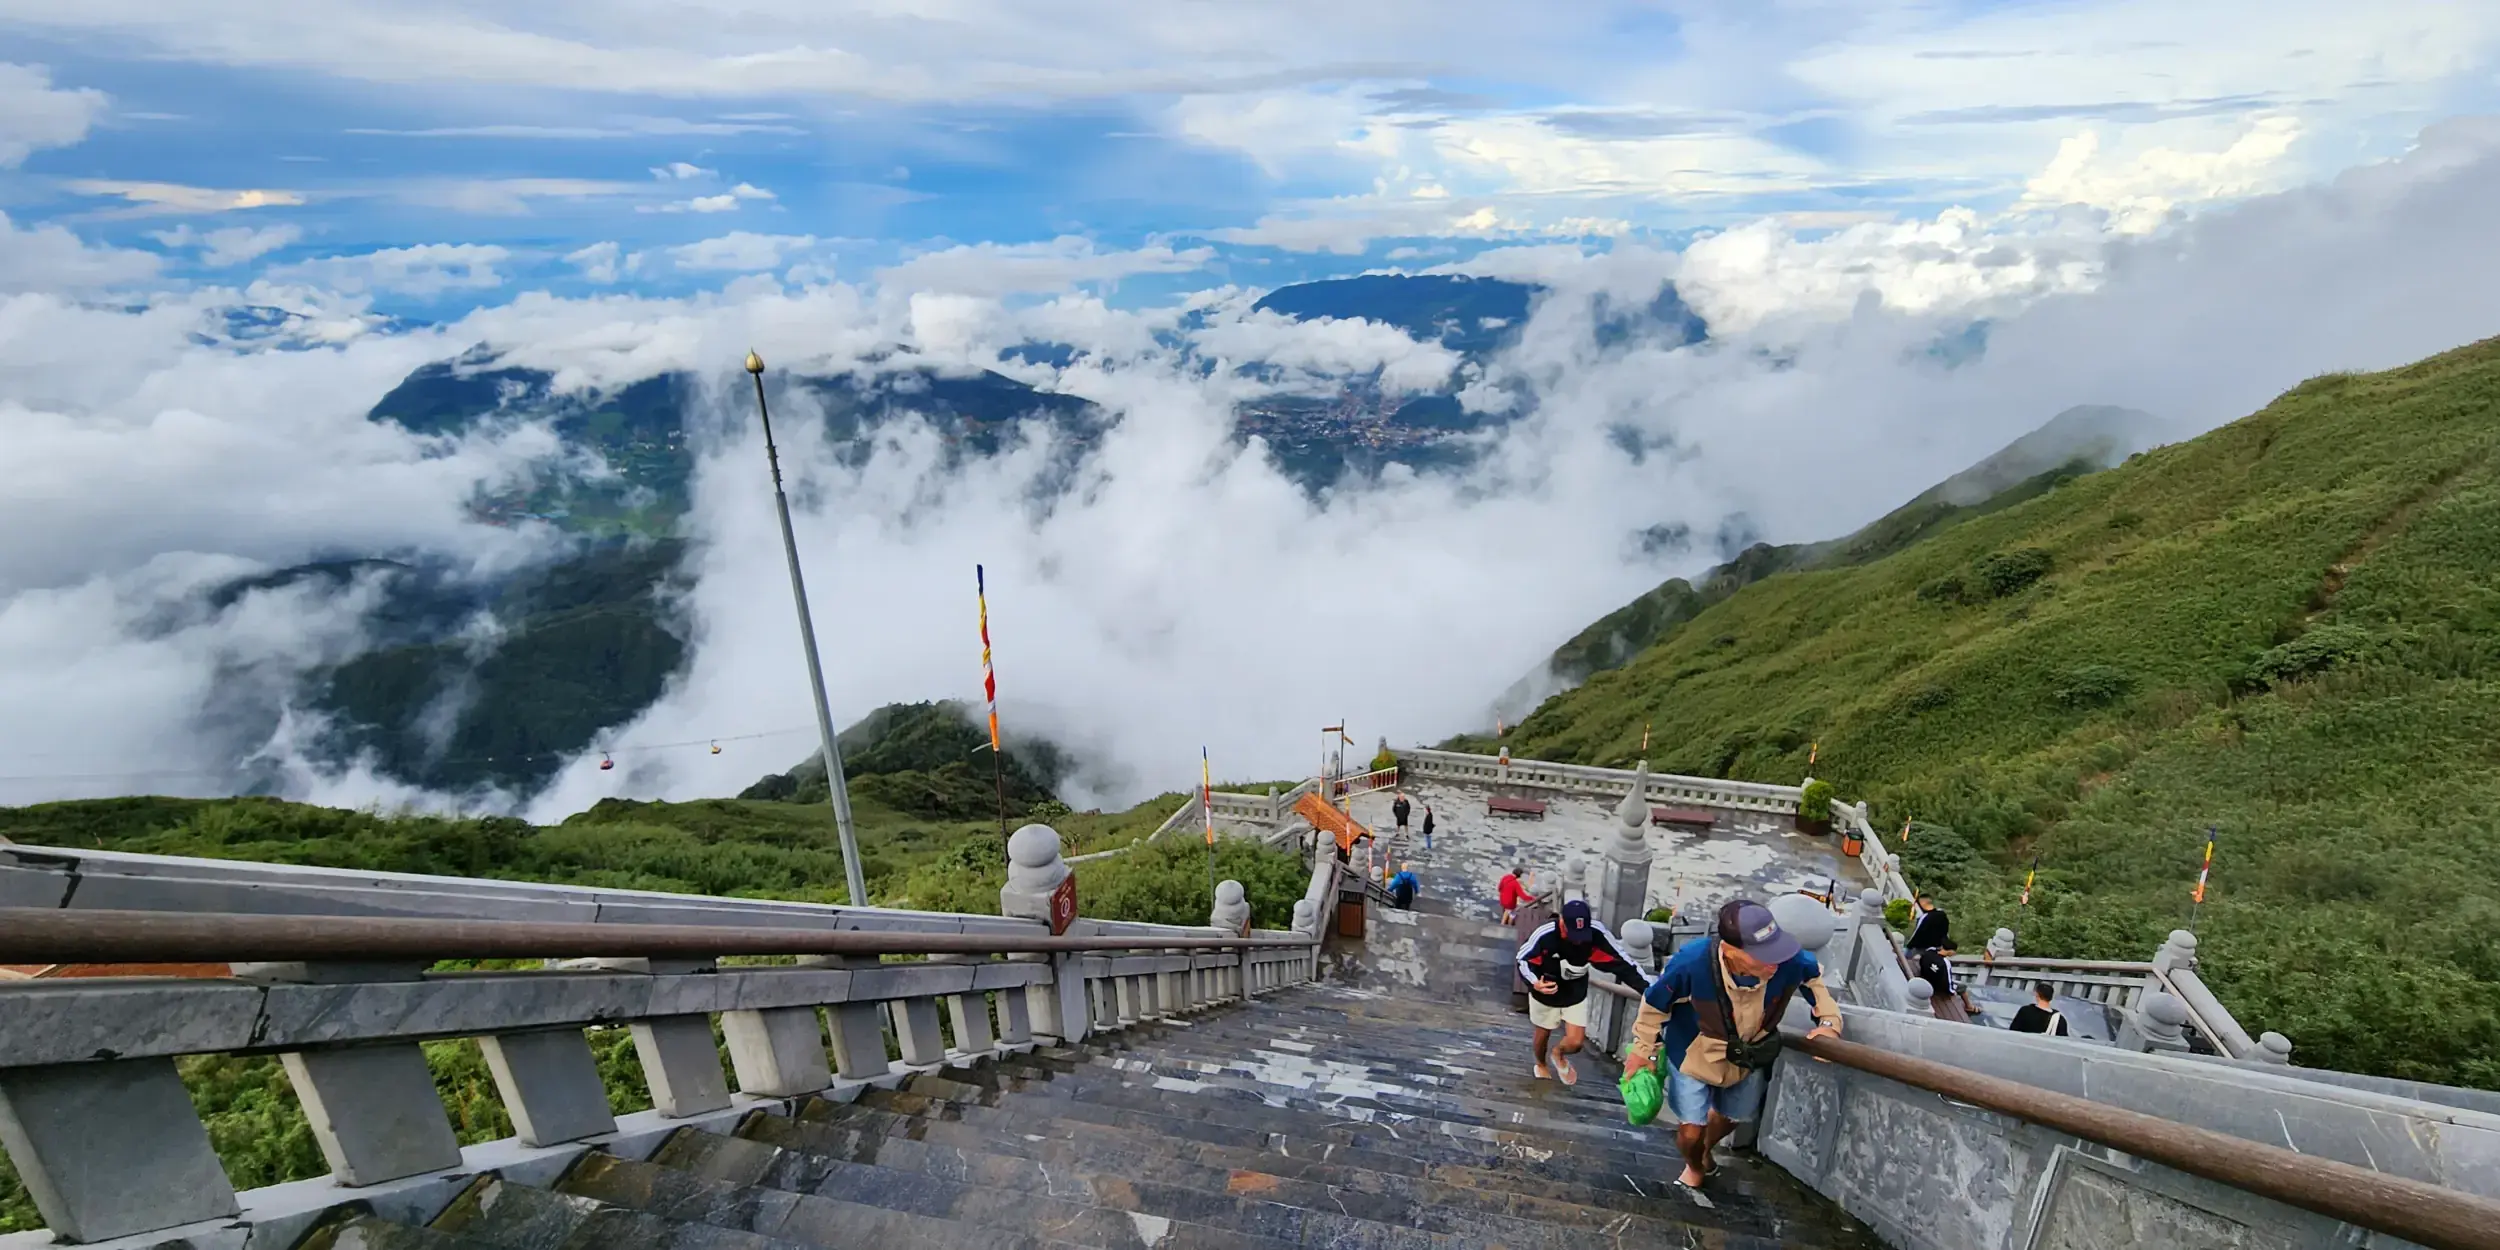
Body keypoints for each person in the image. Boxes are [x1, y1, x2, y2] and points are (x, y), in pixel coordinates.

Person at [1624, 899, 1842, 1191]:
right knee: (1690, 1131)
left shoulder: (1789, 961)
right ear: (1730, 950)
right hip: (1694, 1053)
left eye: (1776, 951)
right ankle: (1694, 1163)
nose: (1773, 963)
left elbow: (1816, 986)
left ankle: (1706, 1148)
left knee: (1733, 1116)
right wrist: (1643, 1050)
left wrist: (1829, 1026)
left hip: (1749, 1055)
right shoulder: (1691, 962)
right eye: (1763, 956)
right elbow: (1654, 1005)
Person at [1516, 899, 1649, 1085]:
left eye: (1582, 934)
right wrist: (1534, 983)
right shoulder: (1545, 934)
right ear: (1561, 922)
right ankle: (1540, 1063)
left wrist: (1650, 991)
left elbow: (1624, 963)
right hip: (1545, 992)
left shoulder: (1596, 932)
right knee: (1543, 1033)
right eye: (1573, 933)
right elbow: (1523, 959)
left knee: (1576, 1042)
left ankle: (1558, 1053)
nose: (1578, 940)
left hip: (1575, 991)